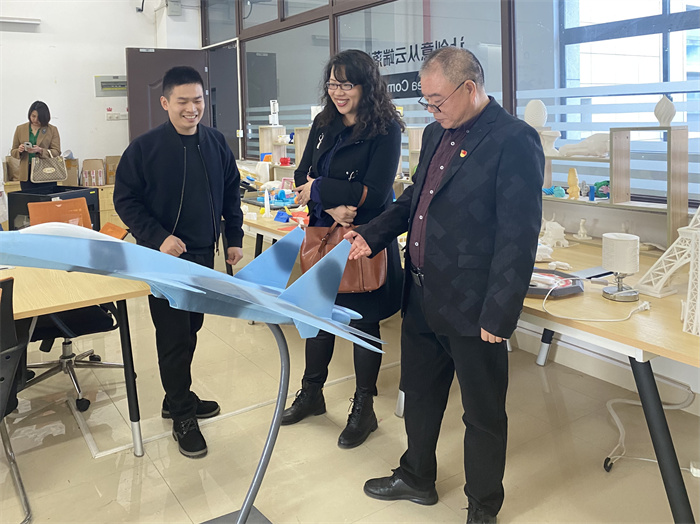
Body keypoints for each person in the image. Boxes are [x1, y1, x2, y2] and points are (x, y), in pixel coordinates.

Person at [345, 47, 544, 523]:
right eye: (426, 101)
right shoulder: (437, 133)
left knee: (482, 413)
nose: (430, 110)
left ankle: (483, 506)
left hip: (474, 305)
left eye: (437, 101)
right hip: (422, 293)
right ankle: (416, 476)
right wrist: (372, 235)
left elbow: (518, 235)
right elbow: (415, 199)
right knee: (420, 394)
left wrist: (500, 312)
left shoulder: (514, 139)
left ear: (469, 89)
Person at [114, 66, 244, 459]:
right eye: (183, 101)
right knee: (173, 337)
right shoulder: (145, 148)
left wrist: (234, 238)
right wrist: (159, 237)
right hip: (164, 260)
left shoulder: (215, 142)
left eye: (198, 100)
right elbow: (125, 200)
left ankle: (177, 397)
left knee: (191, 330)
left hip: (203, 255)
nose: (192, 109)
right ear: (165, 102)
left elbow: (231, 192)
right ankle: (182, 416)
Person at [283, 49, 404, 449]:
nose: (337, 92)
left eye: (346, 84)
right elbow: (301, 175)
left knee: (363, 324)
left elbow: (376, 193)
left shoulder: (386, 129)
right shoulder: (324, 123)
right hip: (324, 232)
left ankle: (364, 408)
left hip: (363, 239)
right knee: (318, 317)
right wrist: (330, 201)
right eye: (333, 83)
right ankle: (312, 393)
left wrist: (319, 188)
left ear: (366, 86)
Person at [10, 101, 61, 191]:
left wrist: (41, 150)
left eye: (39, 118)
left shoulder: (52, 130)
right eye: (33, 116)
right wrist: (19, 150)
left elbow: (56, 151)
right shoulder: (20, 129)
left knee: (46, 198)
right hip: (26, 174)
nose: (35, 120)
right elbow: (13, 151)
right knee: (28, 198)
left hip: (46, 172)